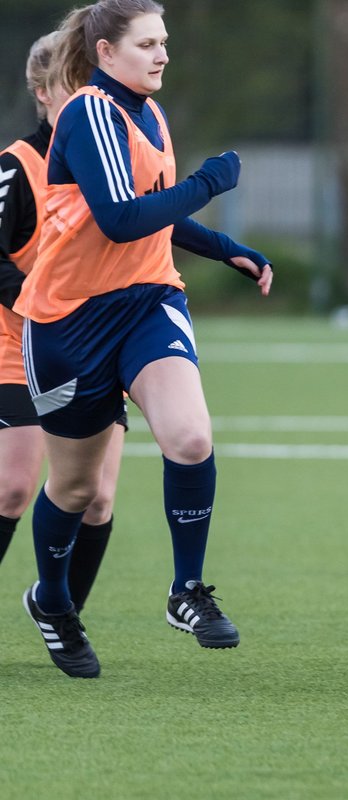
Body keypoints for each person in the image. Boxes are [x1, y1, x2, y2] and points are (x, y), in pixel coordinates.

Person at [19, 0, 273, 679]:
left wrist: (226, 248)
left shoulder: (148, 113)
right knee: (76, 492)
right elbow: (123, 218)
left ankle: (186, 590)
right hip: (69, 323)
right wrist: (210, 183)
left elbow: (157, 217)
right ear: (105, 54)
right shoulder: (87, 114)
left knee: (190, 437)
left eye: (165, 42)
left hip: (148, 304)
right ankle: (51, 602)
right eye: (147, 44)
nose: (162, 55)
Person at [1, 34, 128, 619]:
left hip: (92, 347)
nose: (81, 95)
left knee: (98, 498)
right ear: (42, 92)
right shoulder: (16, 167)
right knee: (13, 487)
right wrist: (38, 305)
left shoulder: (108, 160)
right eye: (67, 84)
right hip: (17, 344)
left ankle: (61, 617)